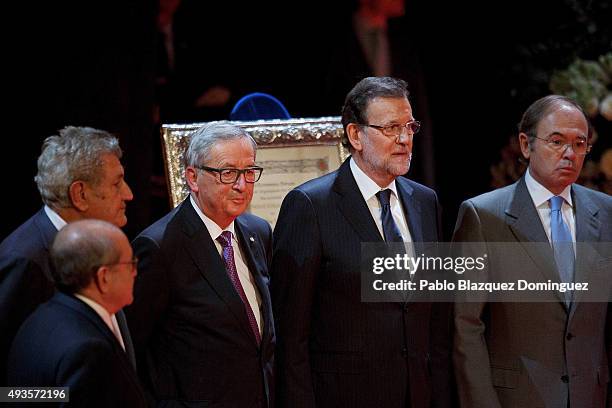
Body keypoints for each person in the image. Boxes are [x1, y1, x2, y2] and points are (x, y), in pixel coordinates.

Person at [271, 77, 451, 408]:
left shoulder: (425, 202)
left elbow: (435, 319)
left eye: (410, 127)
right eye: (391, 128)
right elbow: (291, 336)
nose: (404, 139)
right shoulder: (310, 206)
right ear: (356, 135)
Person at [453, 95, 612, 407]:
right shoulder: (484, 216)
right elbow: (466, 326)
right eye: (557, 141)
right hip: (516, 398)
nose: (570, 153)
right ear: (526, 145)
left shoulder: (606, 213)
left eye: (580, 144)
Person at [126, 122, 275, 406]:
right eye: (228, 172)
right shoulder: (159, 247)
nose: (241, 185)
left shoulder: (258, 231)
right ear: (193, 178)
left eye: (249, 172)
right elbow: (132, 349)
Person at [0, 126, 135, 385]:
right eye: (117, 183)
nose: (128, 194)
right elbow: (11, 385)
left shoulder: (97, 243)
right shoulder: (25, 261)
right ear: (80, 194)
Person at [7, 220, 146, 407]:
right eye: (130, 264)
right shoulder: (88, 351)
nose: (135, 272)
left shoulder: (38, 317)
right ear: (103, 277)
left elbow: (18, 395)